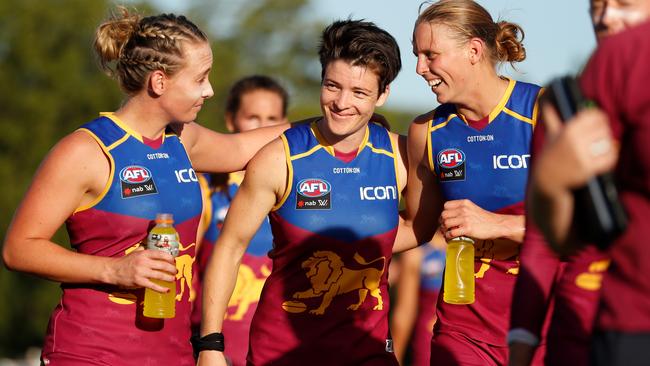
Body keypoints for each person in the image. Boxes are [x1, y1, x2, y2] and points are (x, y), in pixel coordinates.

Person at [1, 8, 288, 365]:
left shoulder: (181, 141)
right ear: (159, 82)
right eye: (200, 78)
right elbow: (18, 249)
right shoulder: (88, 150)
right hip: (90, 353)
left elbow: (246, 147)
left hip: (173, 355)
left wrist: (338, 118)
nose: (210, 90)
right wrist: (114, 270)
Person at [197, 19, 406, 365]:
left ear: (383, 95)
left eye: (359, 92)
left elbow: (423, 225)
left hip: (368, 351)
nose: (341, 102)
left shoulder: (399, 156)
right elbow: (230, 247)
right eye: (332, 86)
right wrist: (210, 344)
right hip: (282, 352)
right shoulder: (279, 157)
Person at [507, 2, 650, 365]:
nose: (605, 17)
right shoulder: (563, 105)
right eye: (596, 6)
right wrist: (551, 183)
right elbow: (546, 239)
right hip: (605, 330)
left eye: (624, 4)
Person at [403, 1, 542, 364]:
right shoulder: (426, 130)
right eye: (417, 55)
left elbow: (590, 225)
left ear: (474, 51)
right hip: (463, 330)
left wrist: (498, 224)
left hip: (548, 323)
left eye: (431, 55)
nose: (420, 68)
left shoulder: (542, 112)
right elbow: (414, 227)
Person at [190, 75, 289, 366]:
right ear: (232, 121)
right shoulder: (207, 187)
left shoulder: (300, 188)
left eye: (273, 118)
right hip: (217, 348)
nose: (264, 127)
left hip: (280, 345)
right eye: (253, 117)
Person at [390, 230, 446, 366]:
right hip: (428, 343)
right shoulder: (417, 252)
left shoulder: (481, 242)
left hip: (470, 342)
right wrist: (393, 357)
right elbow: (403, 314)